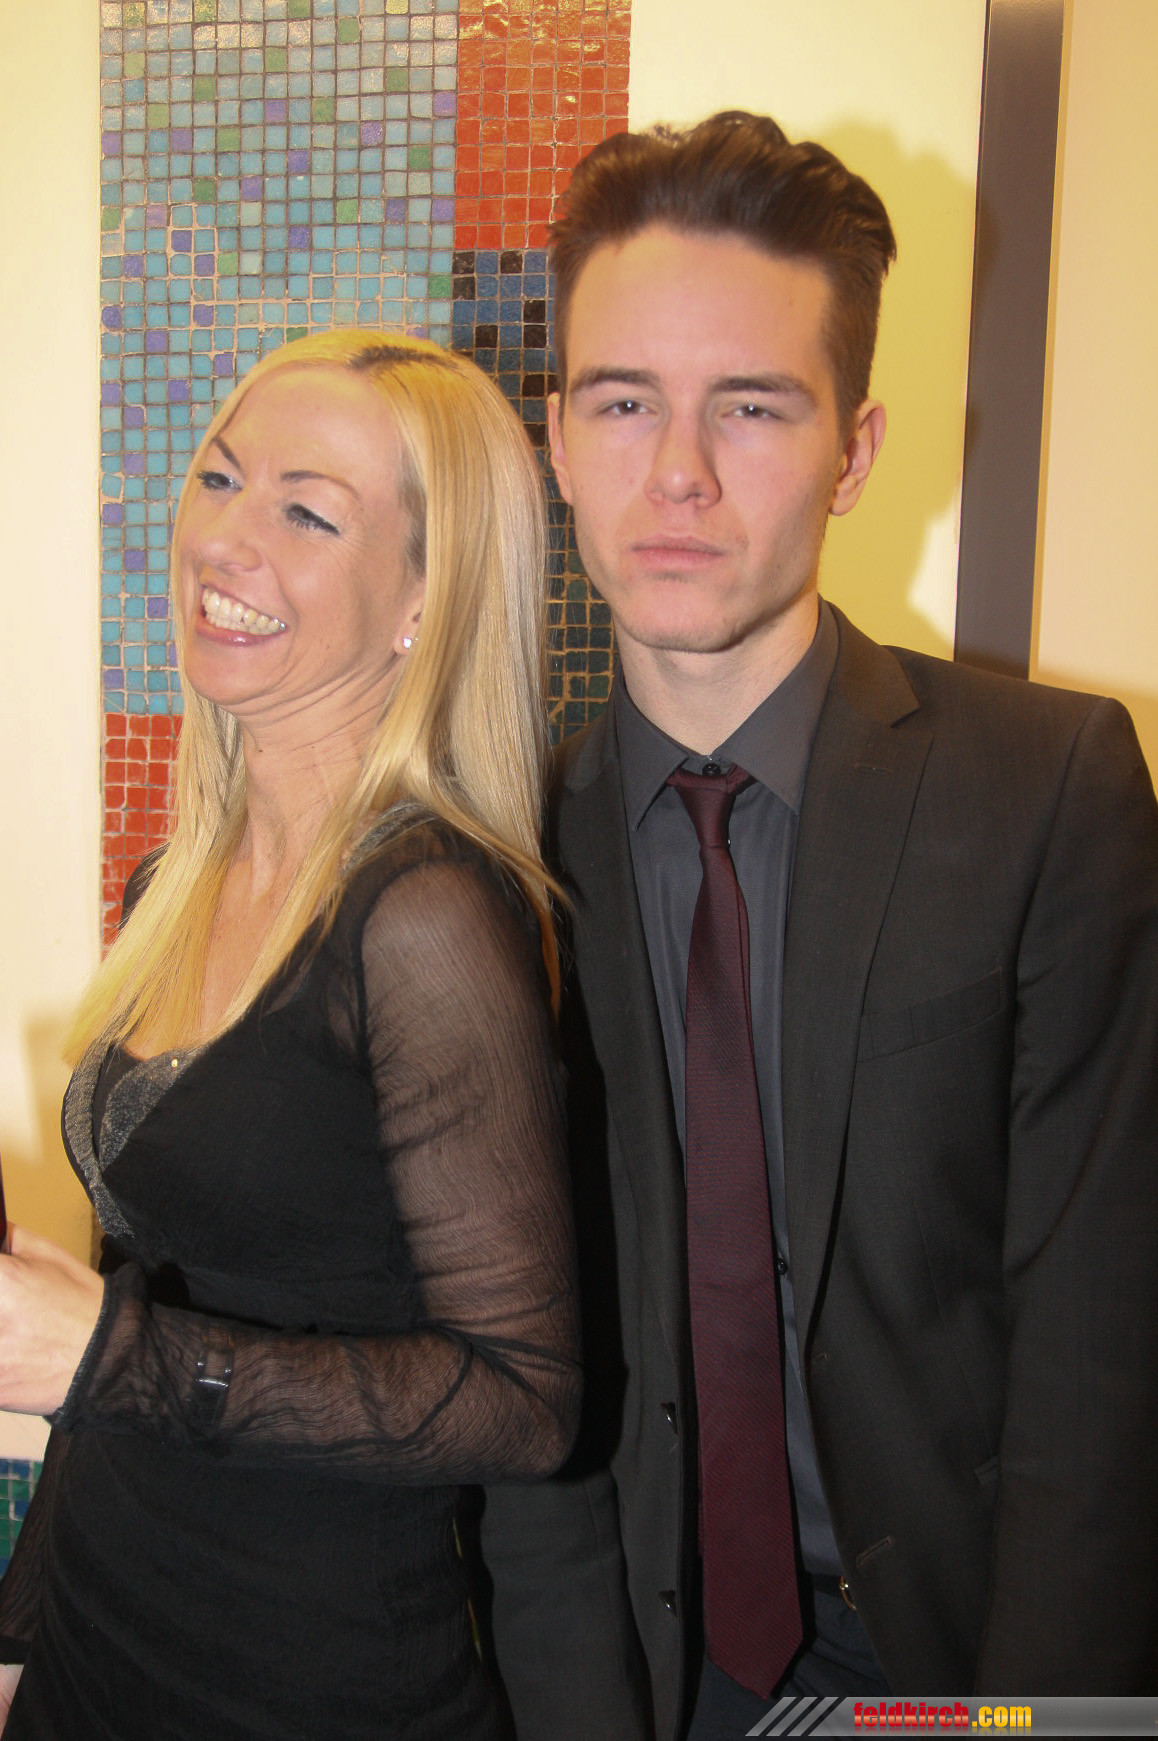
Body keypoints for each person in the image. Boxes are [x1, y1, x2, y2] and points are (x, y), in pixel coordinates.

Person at [478, 112, 1158, 1738]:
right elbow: (522, 1384)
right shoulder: (499, 848)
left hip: (953, 1663)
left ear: (853, 452)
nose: (678, 472)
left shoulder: (1048, 789)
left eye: (751, 406)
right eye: (622, 402)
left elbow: (1100, 1354)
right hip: (645, 1677)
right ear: (556, 438)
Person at [0, 329, 580, 1739]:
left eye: (307, 512)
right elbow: (139, 1282)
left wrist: (114, 1356)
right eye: (219, 477)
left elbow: (523, 1401)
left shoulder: (427, 915)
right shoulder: (174, 883)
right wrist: (17, 1631)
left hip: (306, 1680)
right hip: (95, 1634)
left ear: (423, 599)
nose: (224, 538)